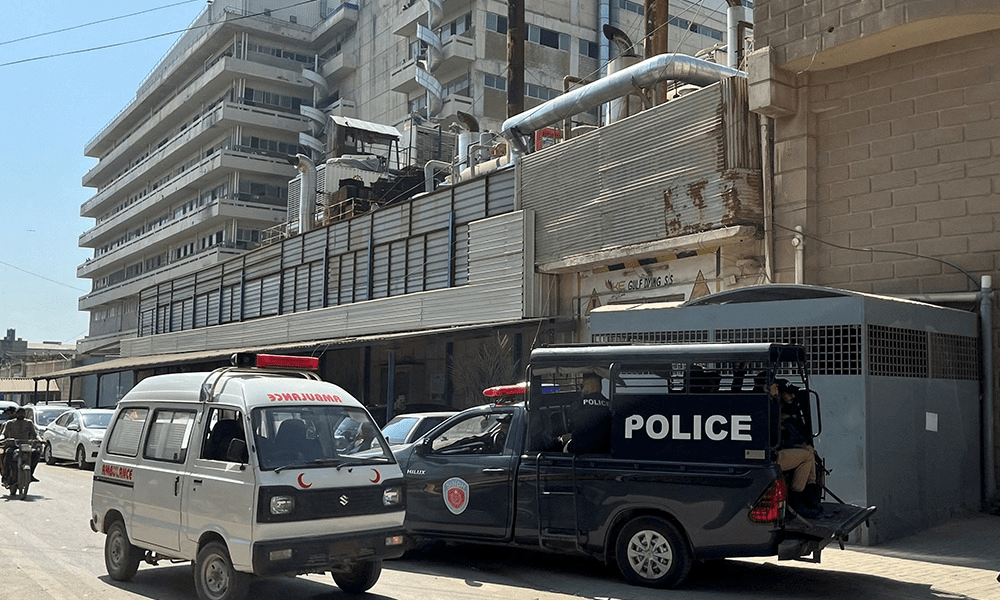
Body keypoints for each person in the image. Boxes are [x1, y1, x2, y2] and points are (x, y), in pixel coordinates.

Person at [771, 379, 822, 518]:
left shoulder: (786, 408)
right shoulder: (769, 407)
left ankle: (810, 494)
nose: (793, 396)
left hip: (780, 449)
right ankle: (797, 501)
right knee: (806, 456)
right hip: (771, 456)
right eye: (789, 393)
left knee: (809, 451)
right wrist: (774, 399)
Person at [563, 372, 612, 454]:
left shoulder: (579, 404)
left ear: (590, 387)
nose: (581, 390)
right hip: (604, 451)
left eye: (582, 386)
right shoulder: (609, 405)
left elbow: (572, 425)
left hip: (579, 451)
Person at [1, 407, 42, 485]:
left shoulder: (29, 423)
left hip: (26, 446)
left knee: (36, 453)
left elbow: (35, 434)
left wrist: (40, 440)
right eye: (19, 413)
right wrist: (2, 438)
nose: (21, 414)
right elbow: (3, 434)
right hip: (13, 445)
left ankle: (30, 474)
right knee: (8, 454)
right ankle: (5, 476)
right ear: (15, 414)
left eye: (23, 413)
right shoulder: (10, 423)